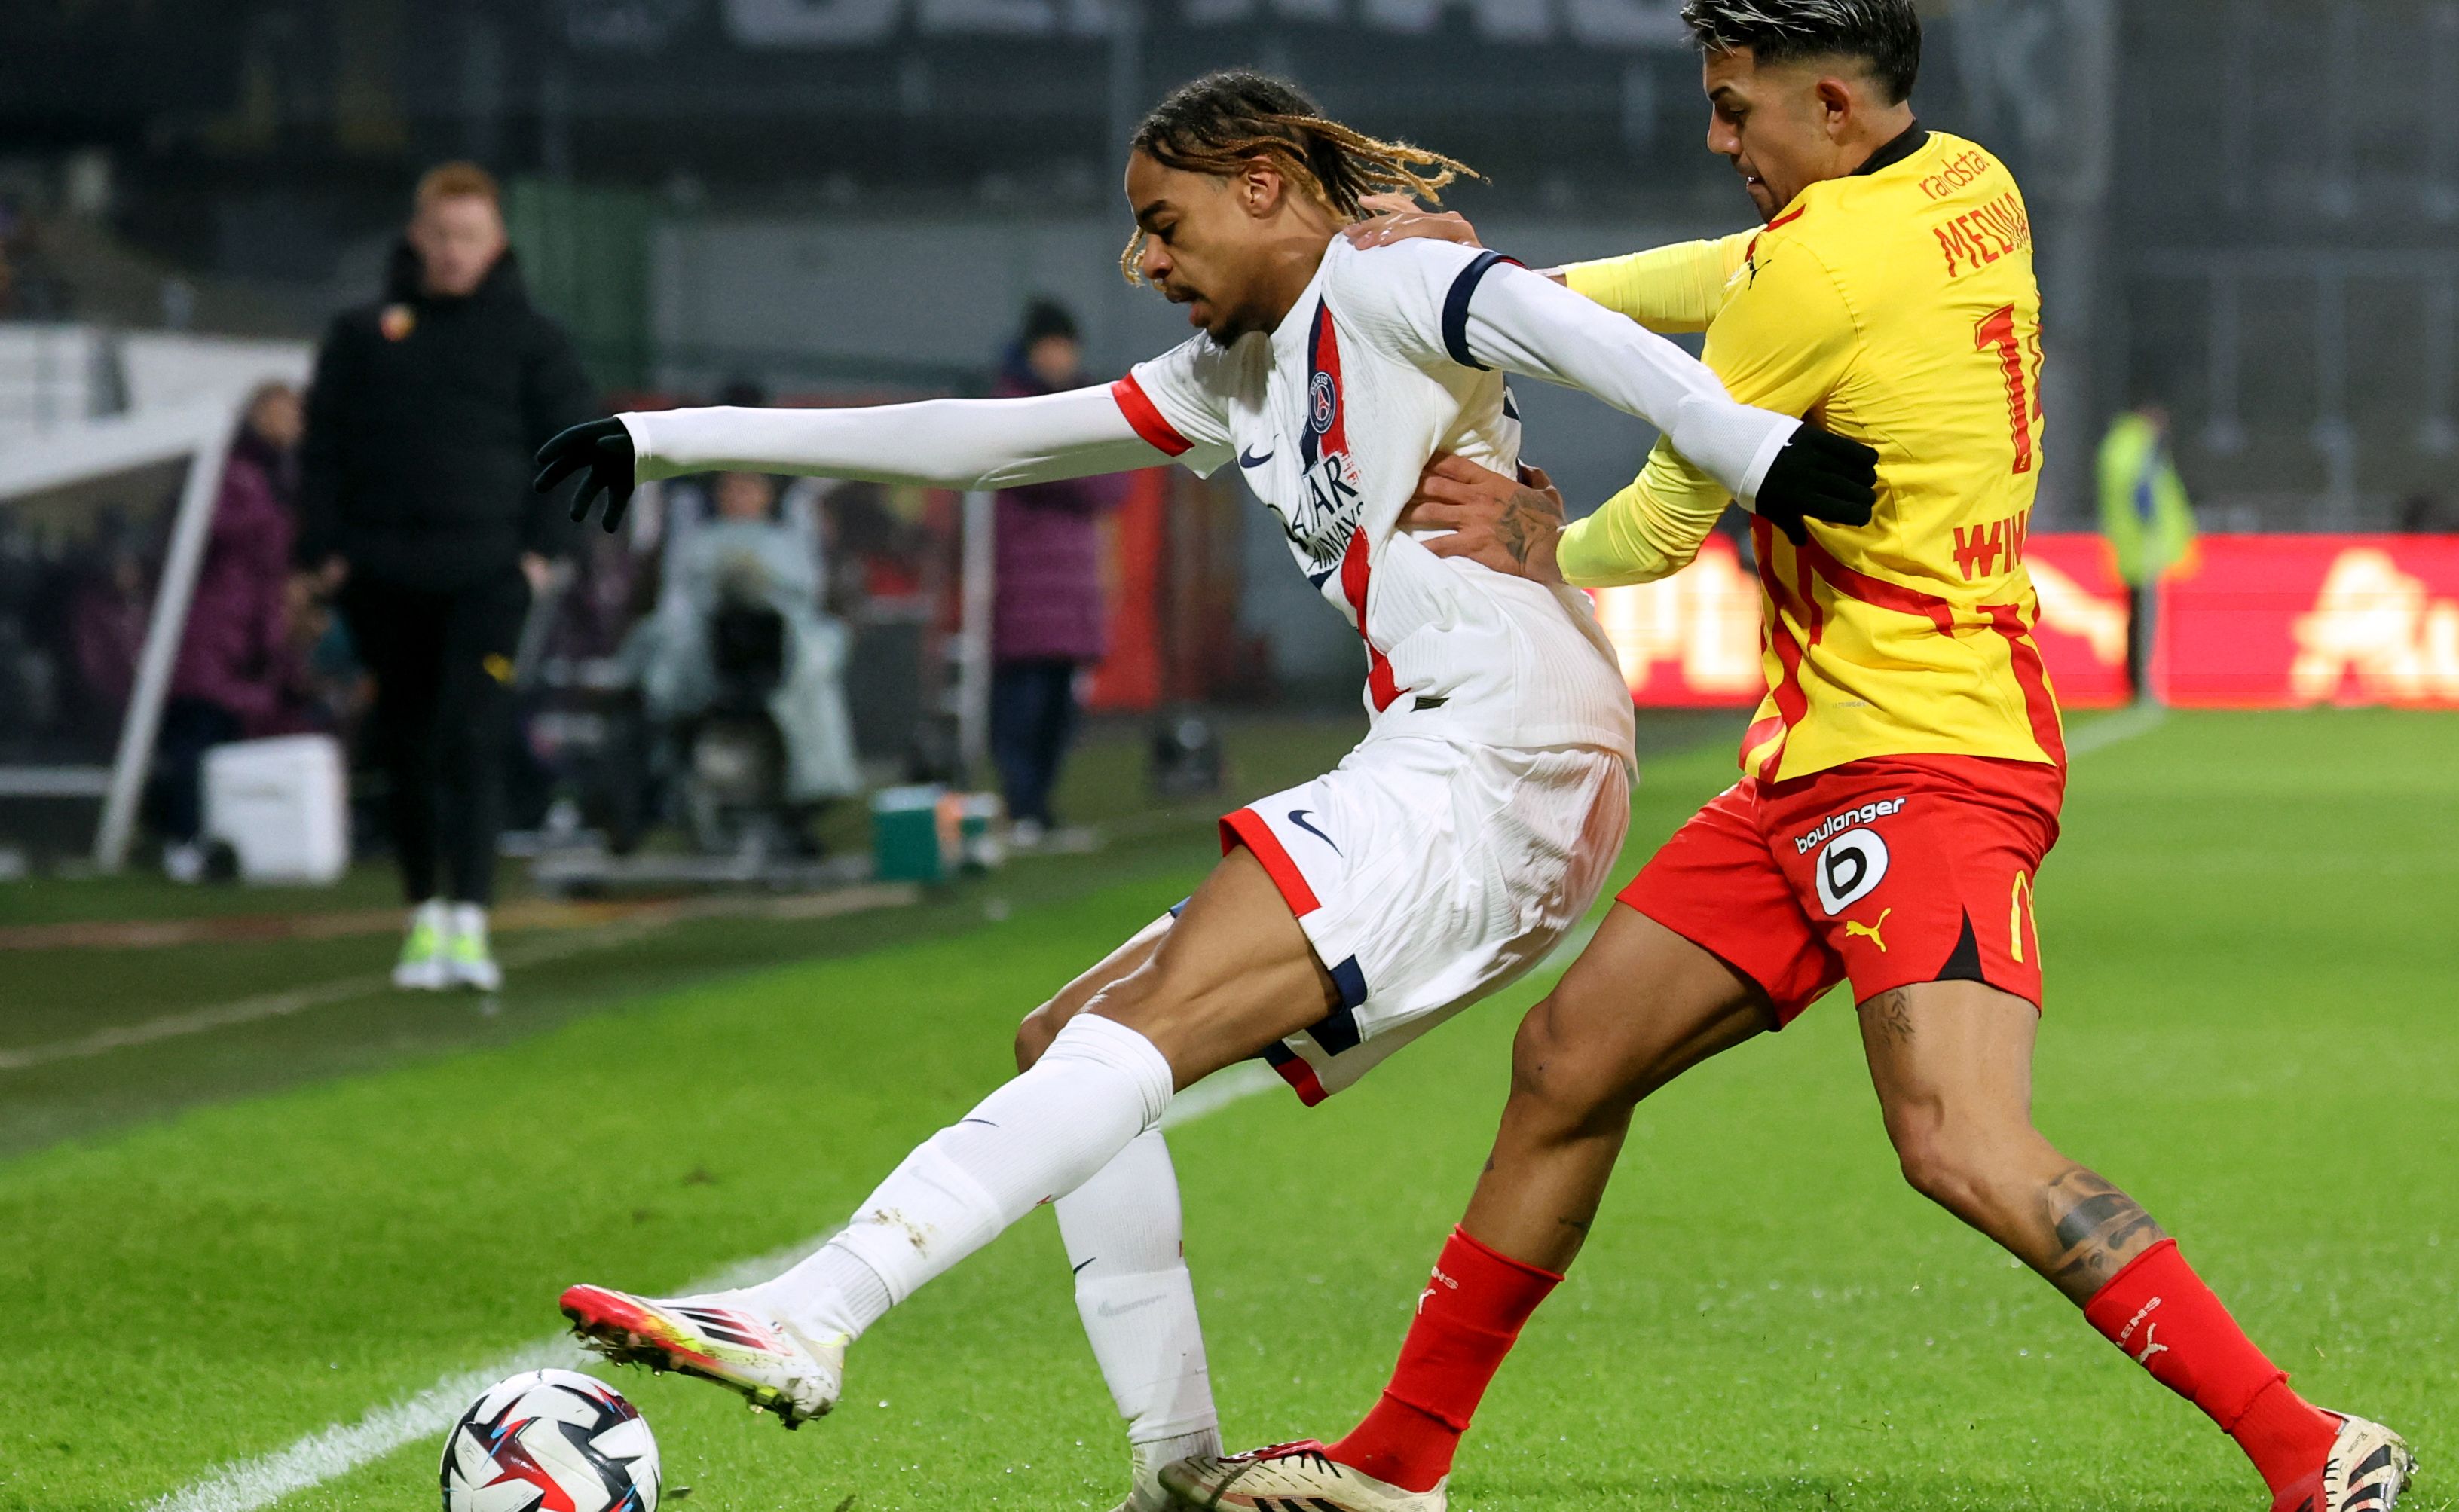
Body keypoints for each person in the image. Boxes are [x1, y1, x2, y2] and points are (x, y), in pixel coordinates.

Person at [530, 69, 1876, 1512]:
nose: (1147, 260)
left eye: (1163, 224)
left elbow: (1584, 339)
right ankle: (1176, 1471)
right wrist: (671, 437)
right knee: (1069, 1042)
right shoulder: (1233, 372)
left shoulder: (1391, 280)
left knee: (1137, 1033)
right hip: (1449, 760)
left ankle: (811, 1311)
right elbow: (984, 440)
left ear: (1259, 185)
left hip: (1502, 748)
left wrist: (1765, 456)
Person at [1168, 8, 2414, 1512]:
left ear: (1825, 103)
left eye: (1729, 108)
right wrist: (1492, 288)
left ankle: (2309, 1446)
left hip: (1924, 758)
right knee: (1567, 1060)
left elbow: (1665, 519)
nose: (1717, 139)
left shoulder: (1809, 275)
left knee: (1960, 1139)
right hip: (1818, 759)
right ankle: (1395, 1466)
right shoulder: (1964, 181)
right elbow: (1727, 273)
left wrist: (1537, 538)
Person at [297, 161, 599, 992]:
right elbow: (323, 449)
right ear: (416, 238)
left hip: (488, 574)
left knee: (471, 736)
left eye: (468, 235)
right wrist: (325, 550)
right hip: (386, 575)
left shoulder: (533, 340)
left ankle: (470, 917)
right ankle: (422, 913)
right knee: (406, 742)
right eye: (441, 234)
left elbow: (579, 447)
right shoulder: (364, 335)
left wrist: (541, 553)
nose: (453, 250)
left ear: (495, 241)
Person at [149, 380, 317, 879]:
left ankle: (219, 839)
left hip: (248, 631)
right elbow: (209, 530)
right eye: (284, 412)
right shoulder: (232, 470)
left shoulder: (280, 475)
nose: (294, 423)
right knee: (195, 735)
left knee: (225, 737)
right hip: (213, 629)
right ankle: (183, 839)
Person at [635, 467, 861, 815]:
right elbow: (681, 601)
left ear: (766, 495)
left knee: (814, 672)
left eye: (748, 488)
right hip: (708, 650)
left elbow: (806, 599)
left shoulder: (786, 544)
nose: (738, 497)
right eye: (730, 489)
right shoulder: (699, 542)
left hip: (782, 649)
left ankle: (811, 785)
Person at [990, 298, 1130, 850]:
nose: (1061, 357)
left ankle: (1040, 808)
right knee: (1021, 705)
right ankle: (1020, 806)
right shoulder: (1009, 406)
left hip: (1071, 590)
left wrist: (1078, 462)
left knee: (1059, 709)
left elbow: (1114, 481)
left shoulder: (1082, 403)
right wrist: (1084, 460)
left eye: (1067, 347)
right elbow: (1052, 472)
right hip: (1023, 588)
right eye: (1051, 346)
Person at [2096, 403, 2195, 702]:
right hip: (2141, 546)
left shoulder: (2123, 445)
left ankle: (2140, 683)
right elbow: (2139, 490)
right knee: (2142, 619)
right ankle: (2139, 684)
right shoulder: (2136, 447)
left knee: (2140, 617)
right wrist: (2148, 515)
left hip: (2135, 545)